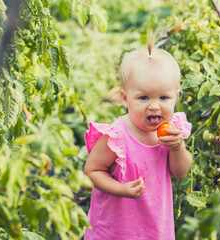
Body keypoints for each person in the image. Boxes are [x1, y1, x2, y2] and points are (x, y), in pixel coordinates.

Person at [83, 32, 192, 239]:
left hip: (154, 230)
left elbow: (179, 172)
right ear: (125, 98)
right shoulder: (116, 138)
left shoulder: (171, 132)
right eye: (143, 97)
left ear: (176, 96)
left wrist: (178, 148)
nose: (154, 105)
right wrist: (120, 189)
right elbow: (93, 170)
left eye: (164, 97)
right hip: (115, 232)